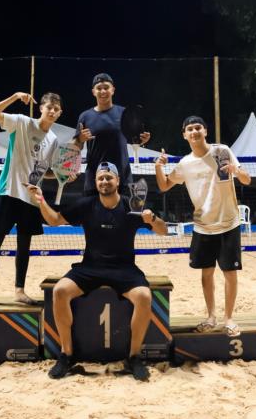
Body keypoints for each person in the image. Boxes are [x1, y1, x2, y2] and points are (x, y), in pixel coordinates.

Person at [27, 161, 167, 380]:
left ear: (118, 181)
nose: (104, 181)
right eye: (100, 178)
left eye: (109, 177)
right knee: (60, 291)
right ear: (95, 182)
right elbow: (54, 220)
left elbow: (163, 231)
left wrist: (153, 219)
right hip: (91, 267)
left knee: (144, 296)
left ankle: (134, 357)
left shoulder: (133, 205)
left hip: (124, 268)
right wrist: (41, 200)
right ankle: (66, 354)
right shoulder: (86, 204)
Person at [155, 116, 251, 337]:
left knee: (230, 273)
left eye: (198, 127)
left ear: (205, 131)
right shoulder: (185, 163)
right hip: (203, 226)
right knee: (206, 274)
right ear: (184, 135)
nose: (194, 131)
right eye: (190, 129)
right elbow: (164, 185)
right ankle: (211, 317)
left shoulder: (222, 151)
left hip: (228, 223)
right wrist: (159, 167)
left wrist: (236, 171)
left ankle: (229, 319)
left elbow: (247, 180)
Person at [0, 91, 65, 308]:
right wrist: (15, 97)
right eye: (49, 107)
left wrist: (61, 175)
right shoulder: (22, 122)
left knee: (24, 246)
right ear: (41, 108)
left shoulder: (53, 139)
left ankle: (19, 290)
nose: (52, 111)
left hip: (31, 196)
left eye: (56, 109)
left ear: (60, 113)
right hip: (8, 190)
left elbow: (45, 170)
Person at [73, 73, 150, 195]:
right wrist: (80, 139)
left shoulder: (124, 113)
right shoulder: (85, 116)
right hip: (95, 180)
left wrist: (142, 140)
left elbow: (134, 139)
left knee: (124, 208)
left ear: (113, 90)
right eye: (99, 88)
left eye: (106, 87)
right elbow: (75, 147)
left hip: (122, 179)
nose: (103, 91)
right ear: (93, 92)